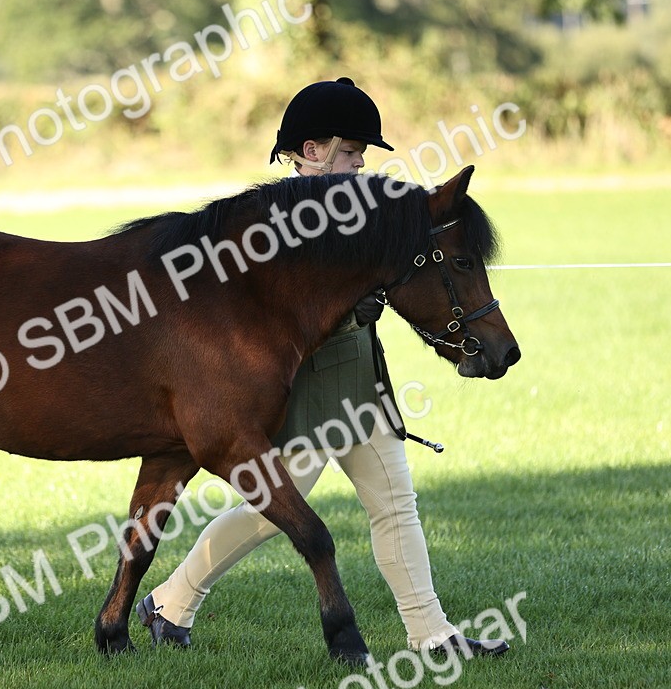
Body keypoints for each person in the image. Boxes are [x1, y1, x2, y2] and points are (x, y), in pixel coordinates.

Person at [136, 78, 508, 656]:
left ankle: (432, 635)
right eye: (352, 152)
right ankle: (171, 601)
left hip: (360, 383)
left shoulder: (361, 211)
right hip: (303, 392)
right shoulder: (274, 221)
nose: (360, 164)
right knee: (266, 516)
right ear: (312, 151)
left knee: (396, 507)